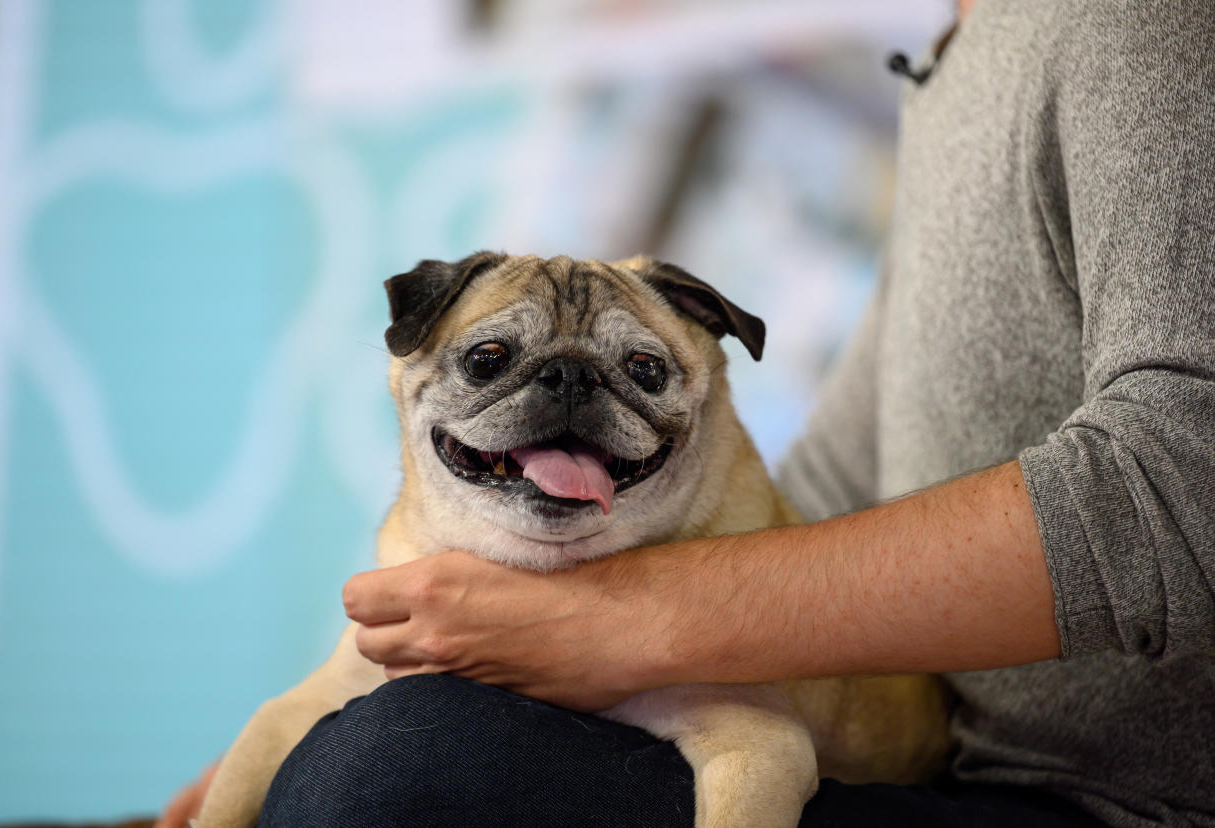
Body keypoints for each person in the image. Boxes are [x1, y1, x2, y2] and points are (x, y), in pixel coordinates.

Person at [161, 0, 1215, 825]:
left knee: (392, 773)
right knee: (348, 757)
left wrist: (618, 623)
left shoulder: (1131, 23)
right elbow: (831, 495)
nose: (568, 400)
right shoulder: (956, 66)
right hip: (967, 775)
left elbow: (1184, 478)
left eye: (640, 376)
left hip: (1106, 800)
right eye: (494, 361)